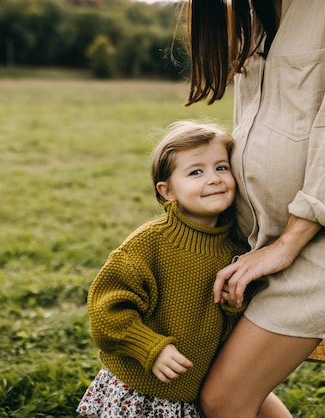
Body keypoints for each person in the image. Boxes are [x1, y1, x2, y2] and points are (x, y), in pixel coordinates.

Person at [181, 1, 325, 417]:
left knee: (223, 398)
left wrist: (285, 245)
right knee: (229, 386)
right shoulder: (256, 9)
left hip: (321, 241)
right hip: (252, 240)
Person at [76, 120, 249, 418]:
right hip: (140, 390)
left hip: (190, 394)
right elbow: (105, 313)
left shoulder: (235, 248)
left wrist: (233, 306)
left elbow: (220, 327)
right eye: (196, 172)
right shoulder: (149, 244)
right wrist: (150, 348)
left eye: (222, 167)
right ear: (167, 191)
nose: (214, 179)